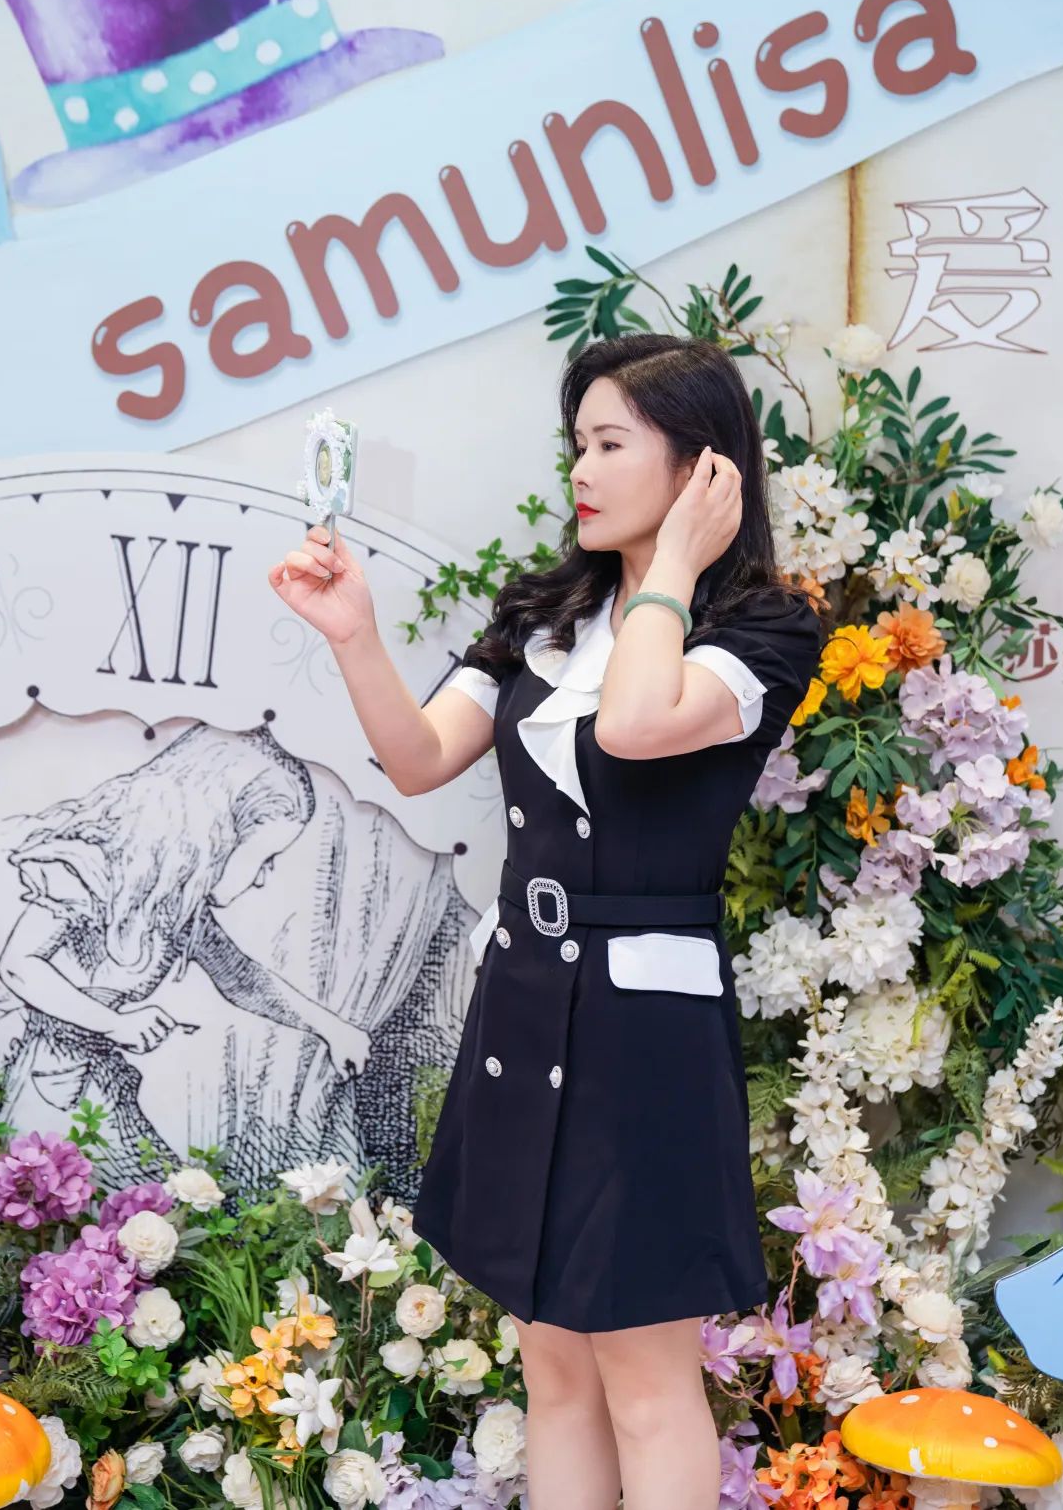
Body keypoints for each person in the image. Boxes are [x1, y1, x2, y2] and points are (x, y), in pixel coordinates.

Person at [267, 334, 825, 1510]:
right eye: (578, 443)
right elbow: (419, 757)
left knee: (646, 1384)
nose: (582, 469)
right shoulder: (546, 612)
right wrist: (353, 631)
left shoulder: (765, 629)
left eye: (612, 444)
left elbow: (634, 725)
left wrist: (676, 567)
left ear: (704, 468)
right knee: (555, 1370)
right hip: (523, 1008)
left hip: (643, 1037)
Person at [0, 723, 372, 1189]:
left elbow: (242, 979)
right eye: (264, 856)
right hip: (46, 1093)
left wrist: (333, 1028)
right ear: (217, 835)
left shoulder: (179, 908)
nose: (264, 876)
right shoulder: (91, 870)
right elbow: (19, 965)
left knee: (160, 1204)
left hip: (99, 1086)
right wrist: (113, 1023)